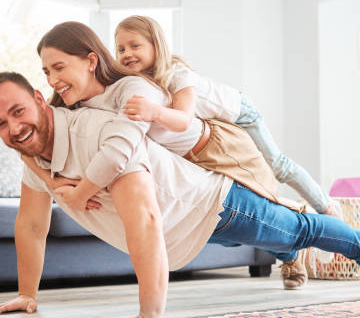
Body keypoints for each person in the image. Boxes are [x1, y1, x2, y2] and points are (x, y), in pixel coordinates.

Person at [0, 71, 360, 318]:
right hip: (184, 232)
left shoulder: (95, 131)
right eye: (0, 123)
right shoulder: (35, 161)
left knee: (299, 229)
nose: (14, 128)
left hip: (213, 204)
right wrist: (26, 294)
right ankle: (290, 254)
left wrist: (147, 316)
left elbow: (143, 216)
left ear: (39, 97)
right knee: (282, 238)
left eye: (18, 111)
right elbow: (31, 227)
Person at [35, 21, 308, 289]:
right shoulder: (81, 100)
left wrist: (81, 191)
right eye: (121, 49)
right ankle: (289, 242)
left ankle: (297, 238)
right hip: (185, 161)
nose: (127, 54)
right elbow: (29, 147)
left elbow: (170, 126)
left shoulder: (155, 79)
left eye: (135, 46)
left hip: (215, 146)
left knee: (262, 201)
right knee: (223, 230)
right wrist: (50, 179)